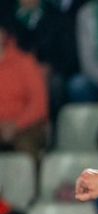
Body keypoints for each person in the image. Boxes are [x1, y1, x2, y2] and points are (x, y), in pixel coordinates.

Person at [0, 20, 49, 160]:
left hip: (26, 126)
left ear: (3, 33)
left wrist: (16, 125)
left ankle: (32, 181)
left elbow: (39, 104)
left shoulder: (25, 62)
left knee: (25, 146)